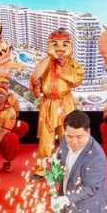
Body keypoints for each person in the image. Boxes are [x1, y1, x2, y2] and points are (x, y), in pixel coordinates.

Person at [52, 110, 107, 213]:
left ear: (88, 132)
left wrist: (66, 199)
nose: (74, 142)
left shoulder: (96, 156)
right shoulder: (65, 142)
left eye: (79, 137)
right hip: (67, 210)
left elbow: (90, 188)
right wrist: (53, 167)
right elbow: (60, 163)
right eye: (70, 136)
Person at [31, 28, 84, 175]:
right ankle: (42, 169)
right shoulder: (45, 62)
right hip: (48, 104)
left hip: (65, 103)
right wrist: (49, 58)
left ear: (70, 46)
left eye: (64, 44)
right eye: (55, 44)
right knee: (46, 137)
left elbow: (77, 80)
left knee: (68, 135)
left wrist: (62, 71)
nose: (60, 48)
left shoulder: (73, 64)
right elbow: (35, 78)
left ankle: (70, 167)